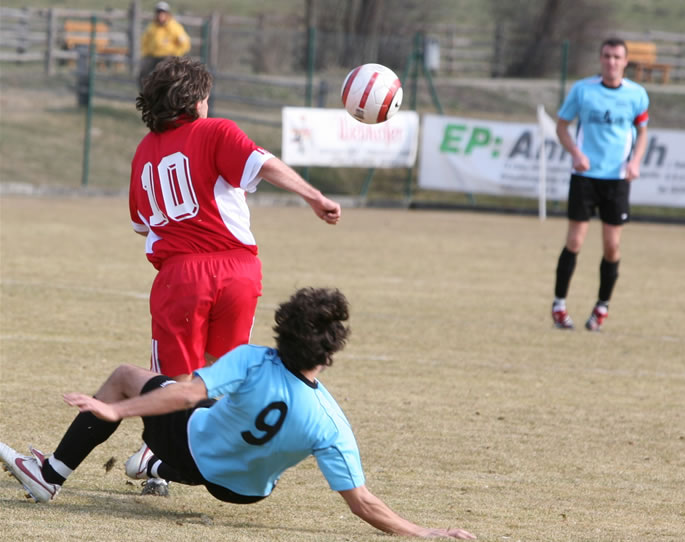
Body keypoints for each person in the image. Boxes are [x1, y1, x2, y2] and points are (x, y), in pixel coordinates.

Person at [0, 288, 475, 540]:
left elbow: (185, 396)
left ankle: (49, 474)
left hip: (187, 447)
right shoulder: (332, 424)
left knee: (129, 374)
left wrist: (116, 407)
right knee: (220, 416)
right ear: (327, 358)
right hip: (240, 493)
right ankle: (151, 465)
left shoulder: (253, 360)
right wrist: (426, 532)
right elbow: (363, 503)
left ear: (281, 332)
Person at [128, 56, 341, 495]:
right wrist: (313, 195)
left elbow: (141, 223)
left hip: (182, 272)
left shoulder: (146, 150)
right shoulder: (215, 130)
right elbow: (262, 164)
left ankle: (161, 458)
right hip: (240, 270)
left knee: (175, 379)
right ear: (195, 100)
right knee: (224, 374)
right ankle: (217, 462)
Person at [551, 37, 649, 331]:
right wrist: (576, 154)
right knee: (575, 241)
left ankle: (601, 307)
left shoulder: (637, 95)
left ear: (625, 61)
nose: (611, 62)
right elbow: (561, 126)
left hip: (616, 180)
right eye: (607, 56)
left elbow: (642, 131)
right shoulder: (583, 90)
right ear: (600, 59)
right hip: (585, 176)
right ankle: (559, 305)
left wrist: (635, 162)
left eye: (617, 57)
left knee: (612, 246)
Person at [139, 1, 191, 86]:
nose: (160, 15)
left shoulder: (175, 27)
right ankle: (145, 93)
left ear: (167, 14)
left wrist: (176, 53)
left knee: (164, 73)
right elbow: (144, 41)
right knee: (143, 72)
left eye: (162, 13)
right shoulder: (152, 27)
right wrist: (145, 53)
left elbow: (185, 43)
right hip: (153, 56)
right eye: (158, 13)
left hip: (168, 56)